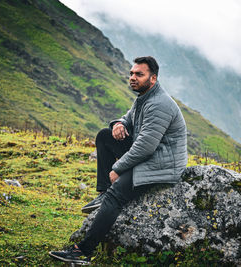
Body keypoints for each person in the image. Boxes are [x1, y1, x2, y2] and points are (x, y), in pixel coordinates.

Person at [49, 56, 187, 265]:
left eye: (139, 74)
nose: (133, 77)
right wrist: (119, 123)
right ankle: (103, 192)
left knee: (116, 196)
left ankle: (83, 252)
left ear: (153, 78)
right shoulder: (144, 97)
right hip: (149, 156)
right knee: (105, 136)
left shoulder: (159, 104)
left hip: (160, 164)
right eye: (132, 73)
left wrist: (118, 168)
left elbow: (145, 148)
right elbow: (129, 118)